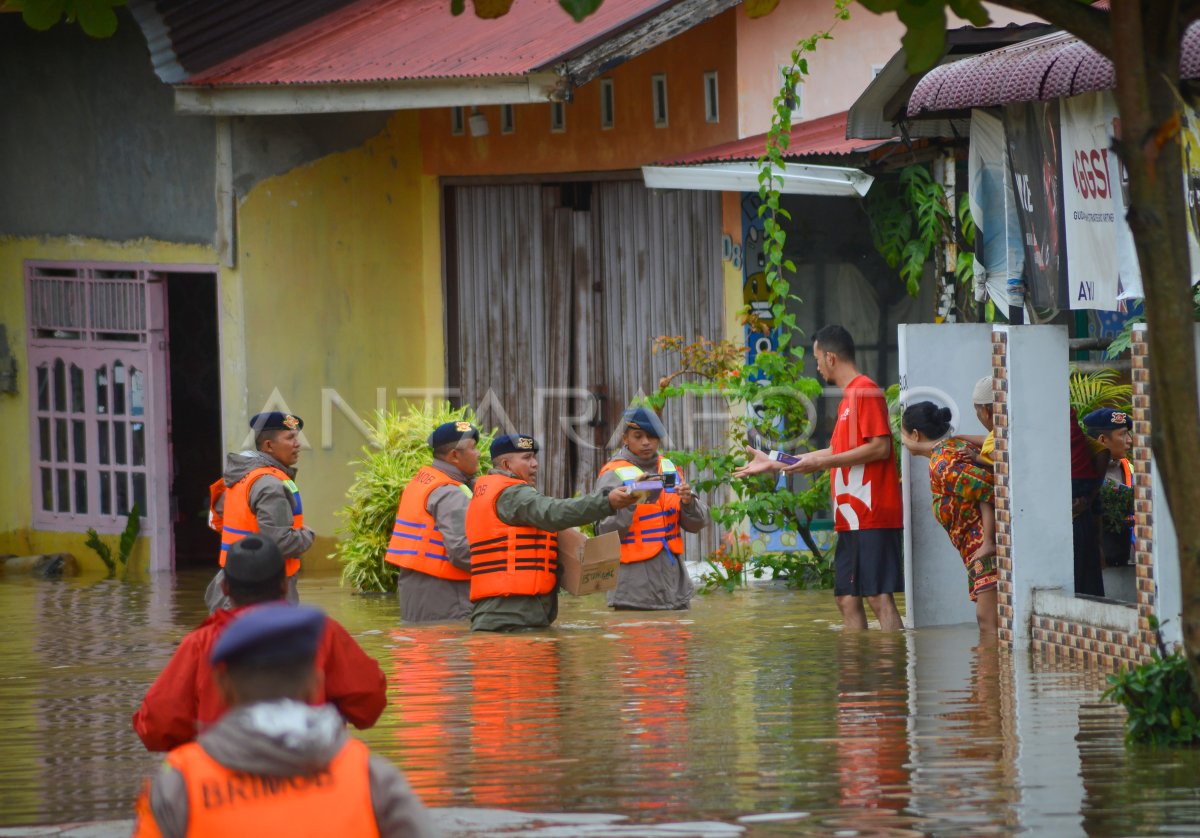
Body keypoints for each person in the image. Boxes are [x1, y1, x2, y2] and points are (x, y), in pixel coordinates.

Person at [132, 604, 434, 838]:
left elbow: (156, 722)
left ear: (224, 686)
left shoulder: (178, 784)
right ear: (315, 682)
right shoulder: (371, 776)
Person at [133, 535, 387, 752]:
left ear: (224, 587)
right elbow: (369, 704)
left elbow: (156, 727)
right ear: (284, 583)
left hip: (224, 781)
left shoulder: (200, 643)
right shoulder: (321, 632)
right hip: (311, 777)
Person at [734, 324, 903, 631]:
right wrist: (775, 461)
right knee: (847, 599)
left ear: (830, 357)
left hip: (871, 512)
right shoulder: (848, 399)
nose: (817, 366)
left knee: (878, 596)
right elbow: (832, 452)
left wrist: (826, 464)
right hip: (852, 516)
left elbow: (880, 448)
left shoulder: (865, 390)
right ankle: (856, 675)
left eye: (816, 359)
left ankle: (892, 674)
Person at [466, 433, 638, 631]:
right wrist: (606, 502)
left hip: (505, 615)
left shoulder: (489, 493)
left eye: (534, 457)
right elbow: (554, 512)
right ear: (506, 465)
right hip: (511, 618)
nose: (535, 464)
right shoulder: (512, 495)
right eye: (527, 458)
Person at [594, 407, 709, 610]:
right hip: (634, 591)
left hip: (676, 587)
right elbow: (604, 532)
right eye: (638, 436)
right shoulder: (613, 474)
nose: (646, 442)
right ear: (625, 438)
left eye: (652, 436)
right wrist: (630, 500)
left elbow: (697, 524)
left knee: (677, 641)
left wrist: (689, 504)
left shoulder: (670, 468)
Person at [900, 402, 998, 637]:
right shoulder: (954, 448)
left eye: (903, 435)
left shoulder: (944, 463)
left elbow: (987, 486)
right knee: (990, 625)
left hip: (985, 551)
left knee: (989, 626)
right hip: (979, 551)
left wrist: (988, 541)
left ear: (915, 434)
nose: (903, 441)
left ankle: (994, 673)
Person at [206, 411, 313, 611]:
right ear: (269, 446)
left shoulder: (241, 476)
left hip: (233, 588)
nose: (298, 444)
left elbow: (218, 517)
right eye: (290, 438)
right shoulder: (270, 485)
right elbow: (279, 544)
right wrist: (307, 536)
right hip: (263, 596)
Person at [386, 421, 481, 622]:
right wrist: (503, 567)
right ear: (454, 455)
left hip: (418, 595)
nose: (479, 454)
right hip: (448, 600)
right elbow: (463, 551)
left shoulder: (421, 481)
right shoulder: (448, 492)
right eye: (473, 448)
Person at [1083, 407, 1134, 567]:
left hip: (1127, 551)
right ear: (1103, 440)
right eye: (1123, 434)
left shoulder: (1128, 467)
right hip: (1097, 555)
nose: (1130, 440)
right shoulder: (1085, 471)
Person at [1069, 406, 1111, 597]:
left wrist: (1088, 499)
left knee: (1078, 586)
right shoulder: (1080, 441)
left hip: (1078, 512)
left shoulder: (1063, 434)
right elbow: (1102, 451)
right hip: (1080, 508)